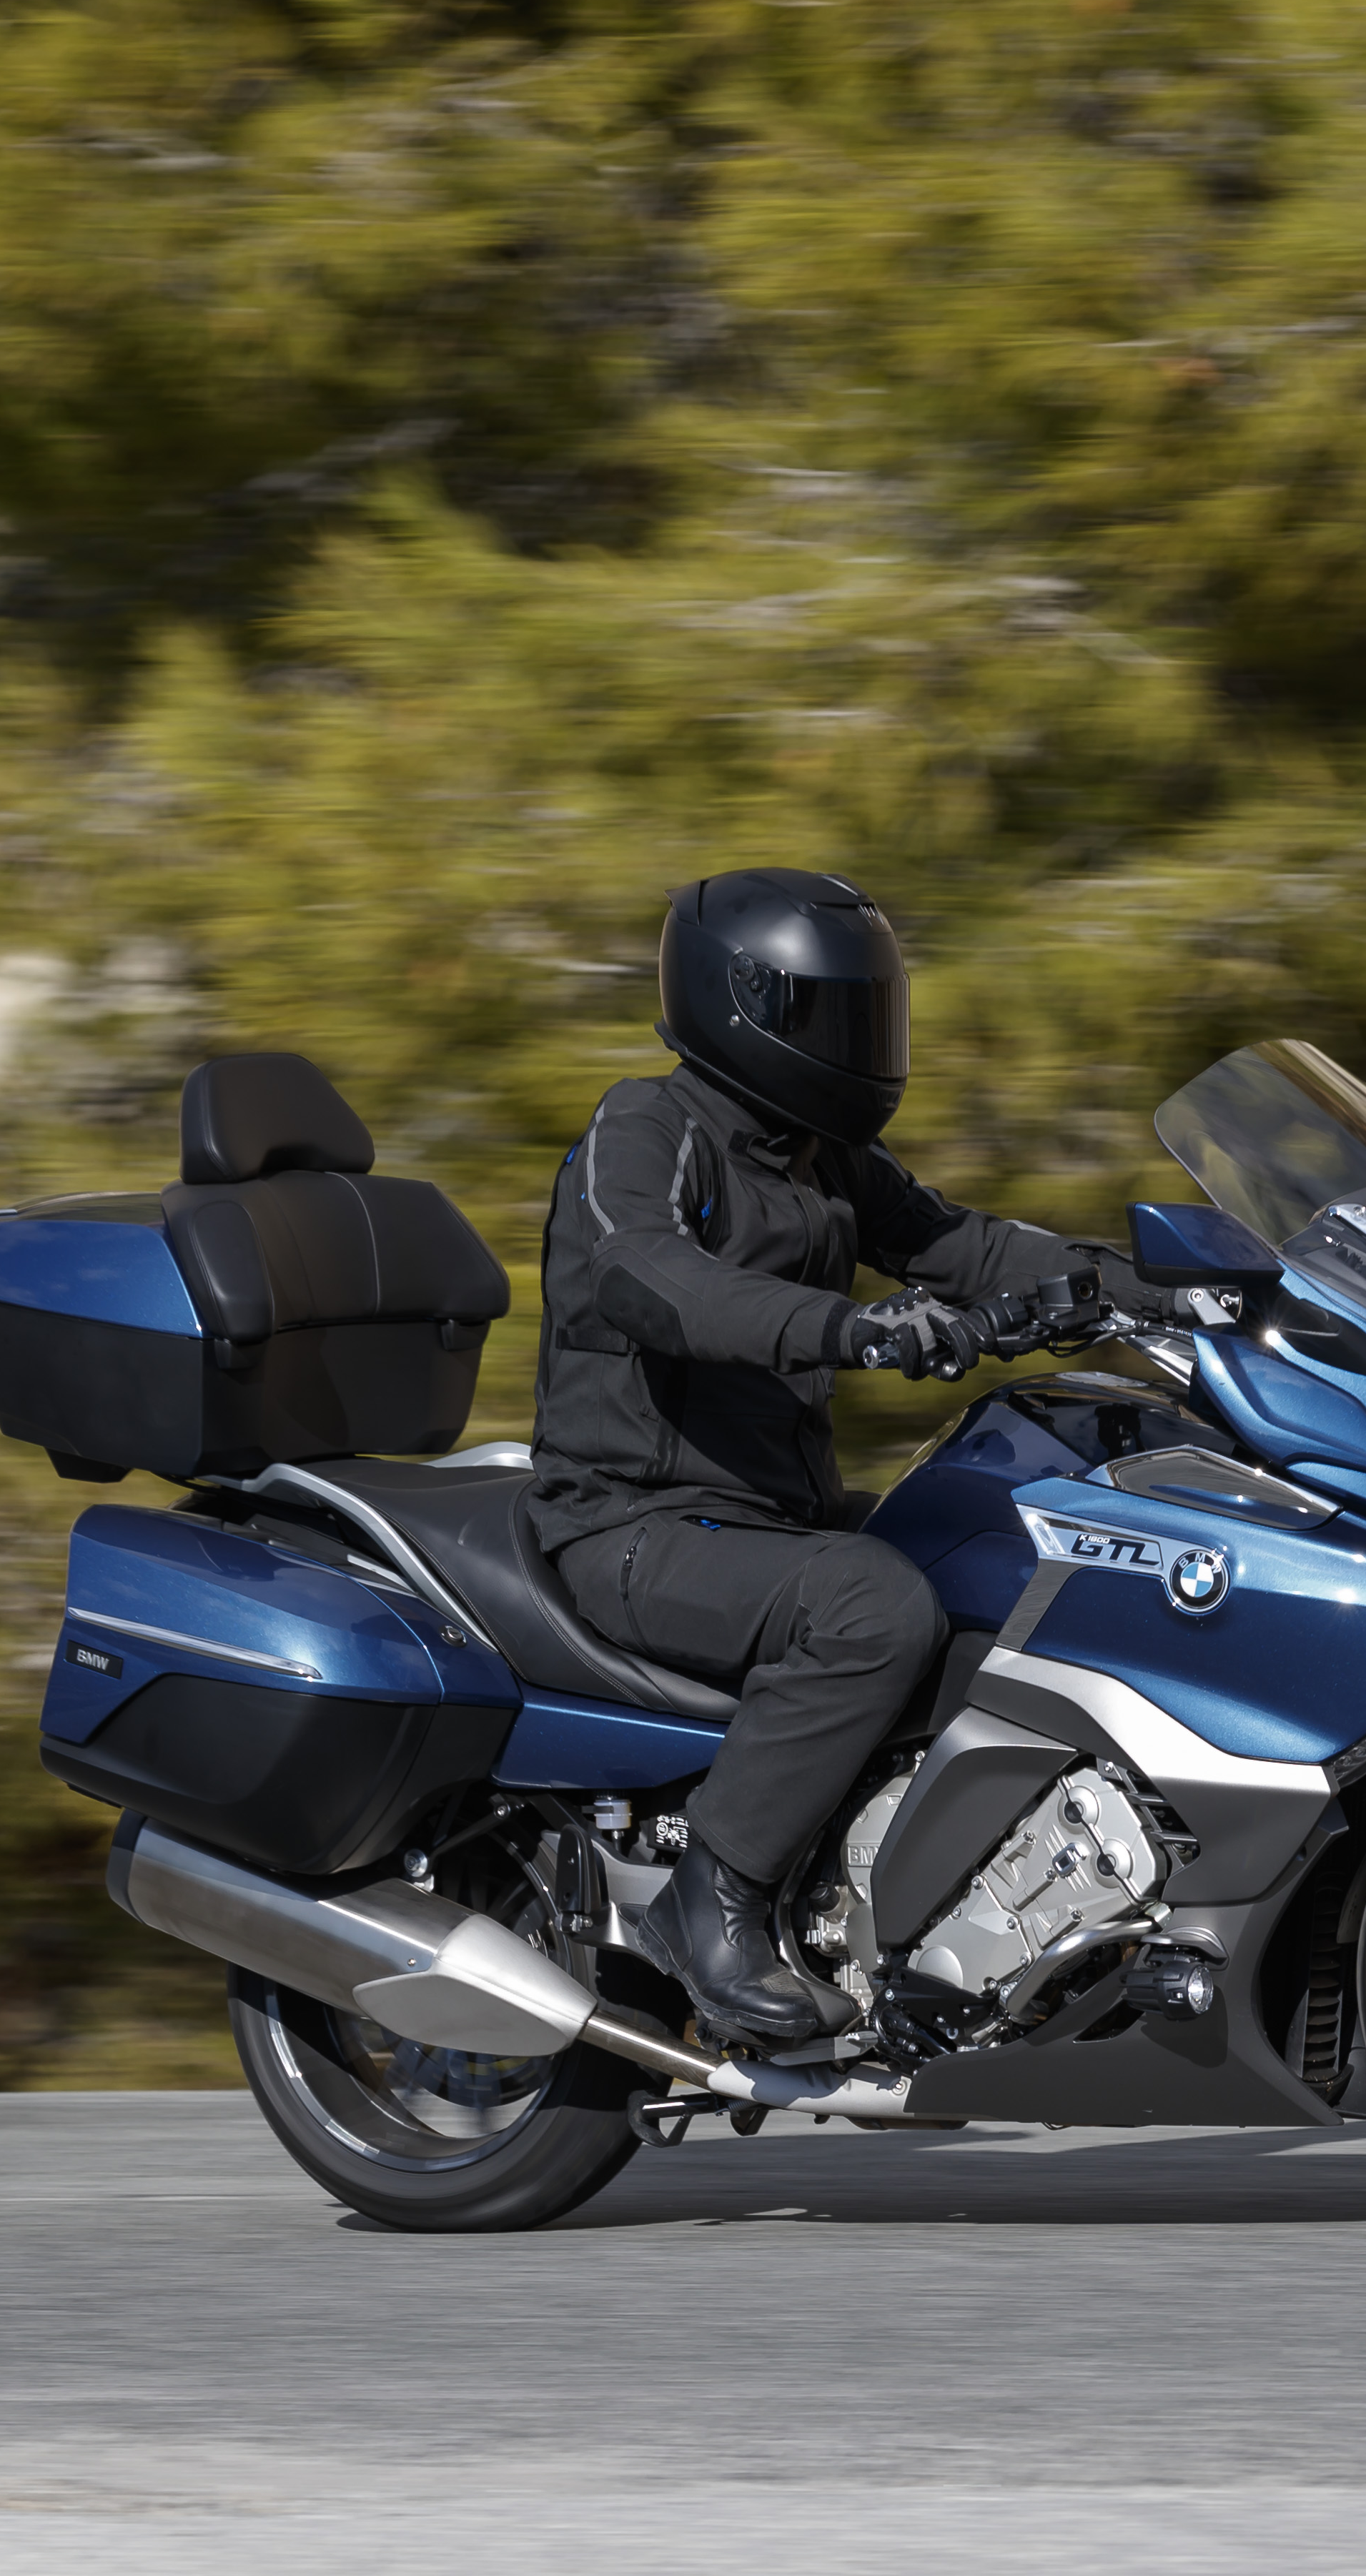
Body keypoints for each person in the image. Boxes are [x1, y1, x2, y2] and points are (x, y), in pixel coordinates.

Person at [528, 868, 1102, 2045]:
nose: (860, 1042)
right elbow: (653, 1278)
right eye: (834, 1015)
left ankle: (940, 1919)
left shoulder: (819, 1156)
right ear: (742, 1003)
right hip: (630, 1522)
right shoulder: (646, 1129)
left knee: (1008, 1553)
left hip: (766, 1519)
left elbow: (965, 1245)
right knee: (873, 1607)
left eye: (870, 1013)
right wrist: (850, 1328)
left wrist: (1181, 1285)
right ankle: (712, 1899)